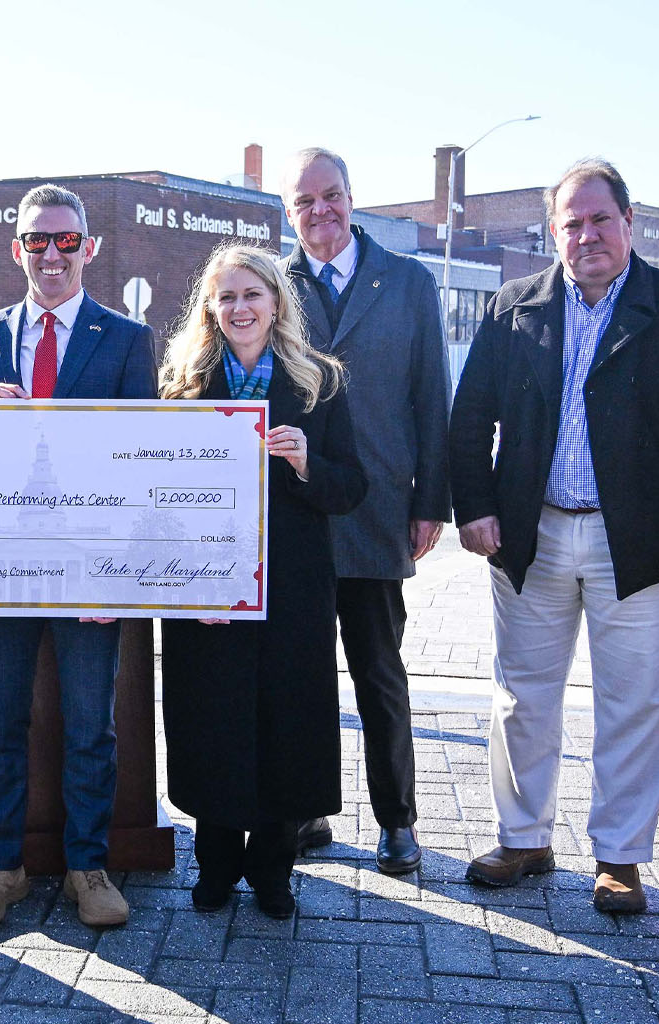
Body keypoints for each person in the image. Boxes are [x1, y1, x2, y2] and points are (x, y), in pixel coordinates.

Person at [447, 159, 659, 914]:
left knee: (636, 704)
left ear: (629, 223)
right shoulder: (517, 306)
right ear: (554, 232)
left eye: (600, 219)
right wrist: (474, 506)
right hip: (531, 536)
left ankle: (619, 857)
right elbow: (468, 415)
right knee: (521, 699)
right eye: (571, 223)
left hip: (640, 545)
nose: (587, 235)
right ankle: (523, 838)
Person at [0, 184, 157, 929]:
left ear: (88, 248)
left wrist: (121, 573)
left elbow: (142, 461)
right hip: (1, 564)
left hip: (88, 566)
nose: (52, 254)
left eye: (66, 240)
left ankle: (87, 868)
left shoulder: (127, 339)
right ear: (17, 250)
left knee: (90, 724)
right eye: (38, 240)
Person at [158, 245, 365, 918]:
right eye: (227, 297)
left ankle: (274, 872)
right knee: (210, 722)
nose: (241, 308)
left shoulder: (320, 384)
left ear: (277, 302)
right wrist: (191, 584)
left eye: (253, 294)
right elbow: (157, 491)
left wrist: (308, 464)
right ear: (211, 310)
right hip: (205, 585)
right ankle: (215, 867)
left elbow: (353, 488)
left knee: (286, 726)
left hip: (291, 588)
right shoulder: (182, 384)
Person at [276, 148, 450, 873]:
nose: (321, 211)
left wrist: (431, 501)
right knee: (301, 672)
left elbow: (431, 398)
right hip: (296, 512)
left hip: (379, 508)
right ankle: (306, 810)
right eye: (305, 201)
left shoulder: (408, 282)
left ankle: (397, 820)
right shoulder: (273, 284)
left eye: (332, 195)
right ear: (289, 212)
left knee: (378, 672)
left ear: (352, 198)